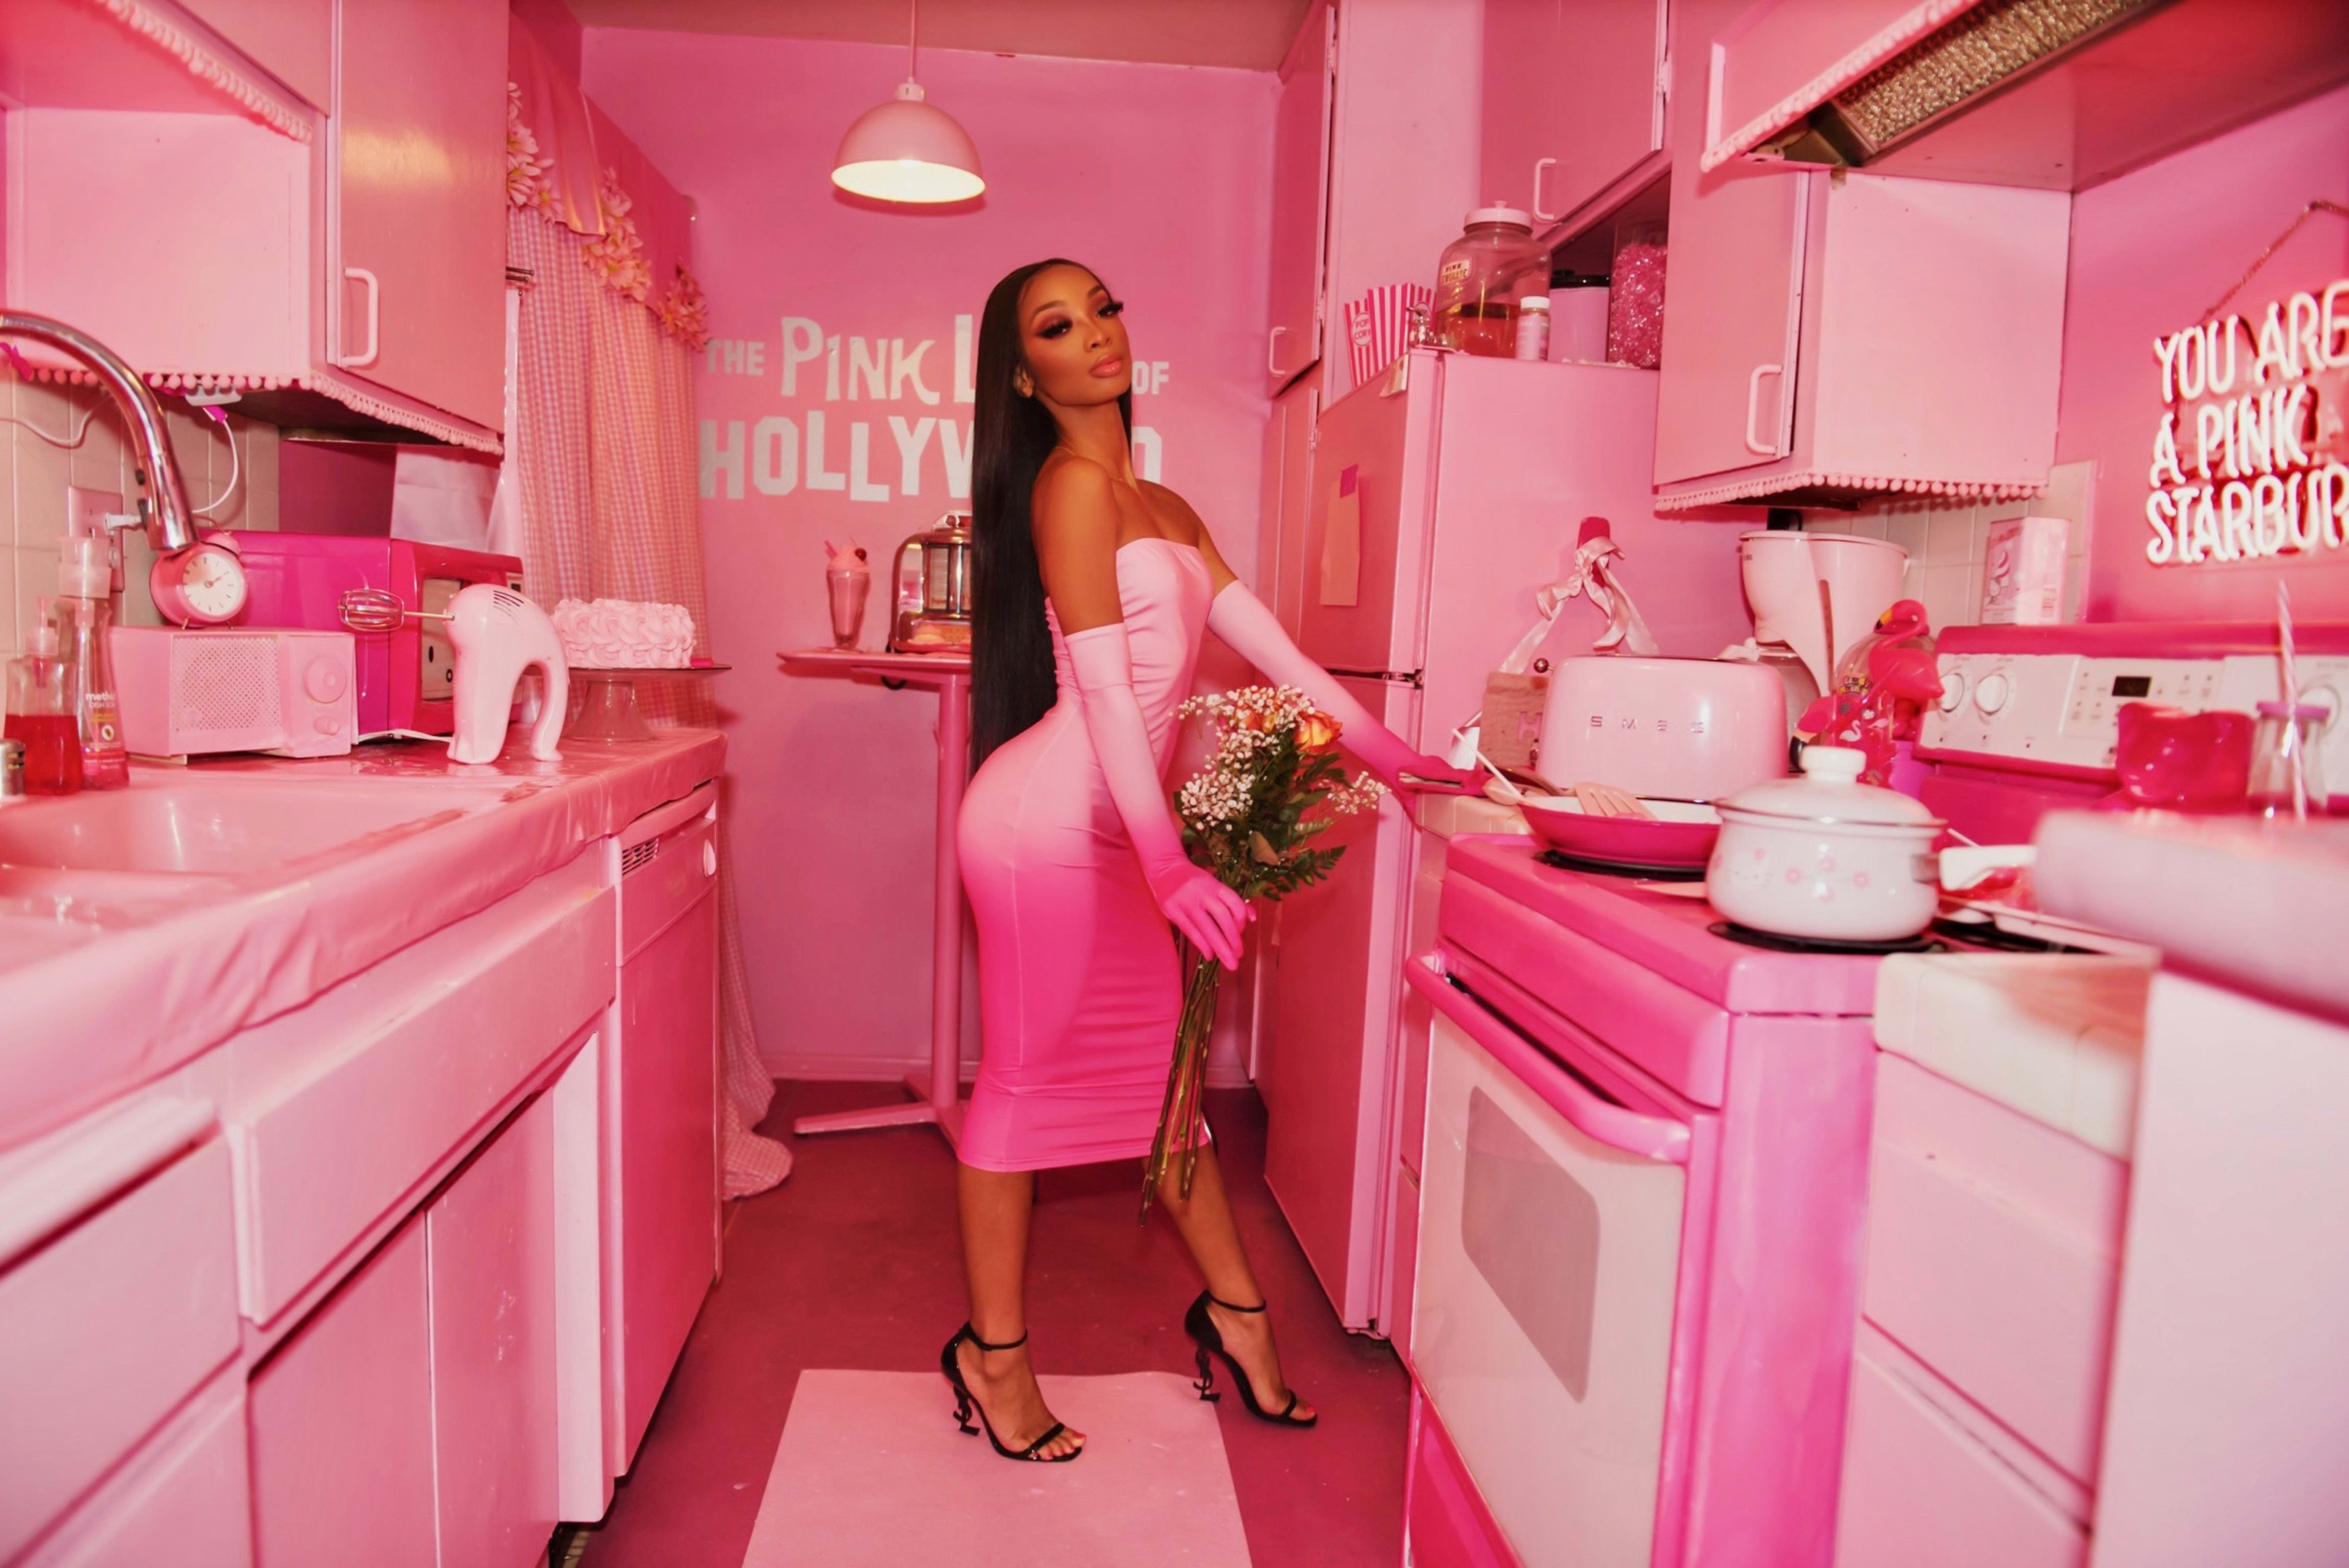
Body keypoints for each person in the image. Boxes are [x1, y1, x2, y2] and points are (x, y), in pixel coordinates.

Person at [945, 259, 1477, 1462]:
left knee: (1170, 1085)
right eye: (1060, 325)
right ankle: (995, 1355)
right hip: (1044, 828)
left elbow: (1284, 660)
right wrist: (1168, 866)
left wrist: (1401, 756)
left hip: (1124, 830)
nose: (1097, 335)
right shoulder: (1071, 489)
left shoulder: (1168, 506)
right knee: (1023, 1092)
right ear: (1024, 374)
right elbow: (1099, 694)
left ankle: (1235, 1314)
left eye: (1107, 307)